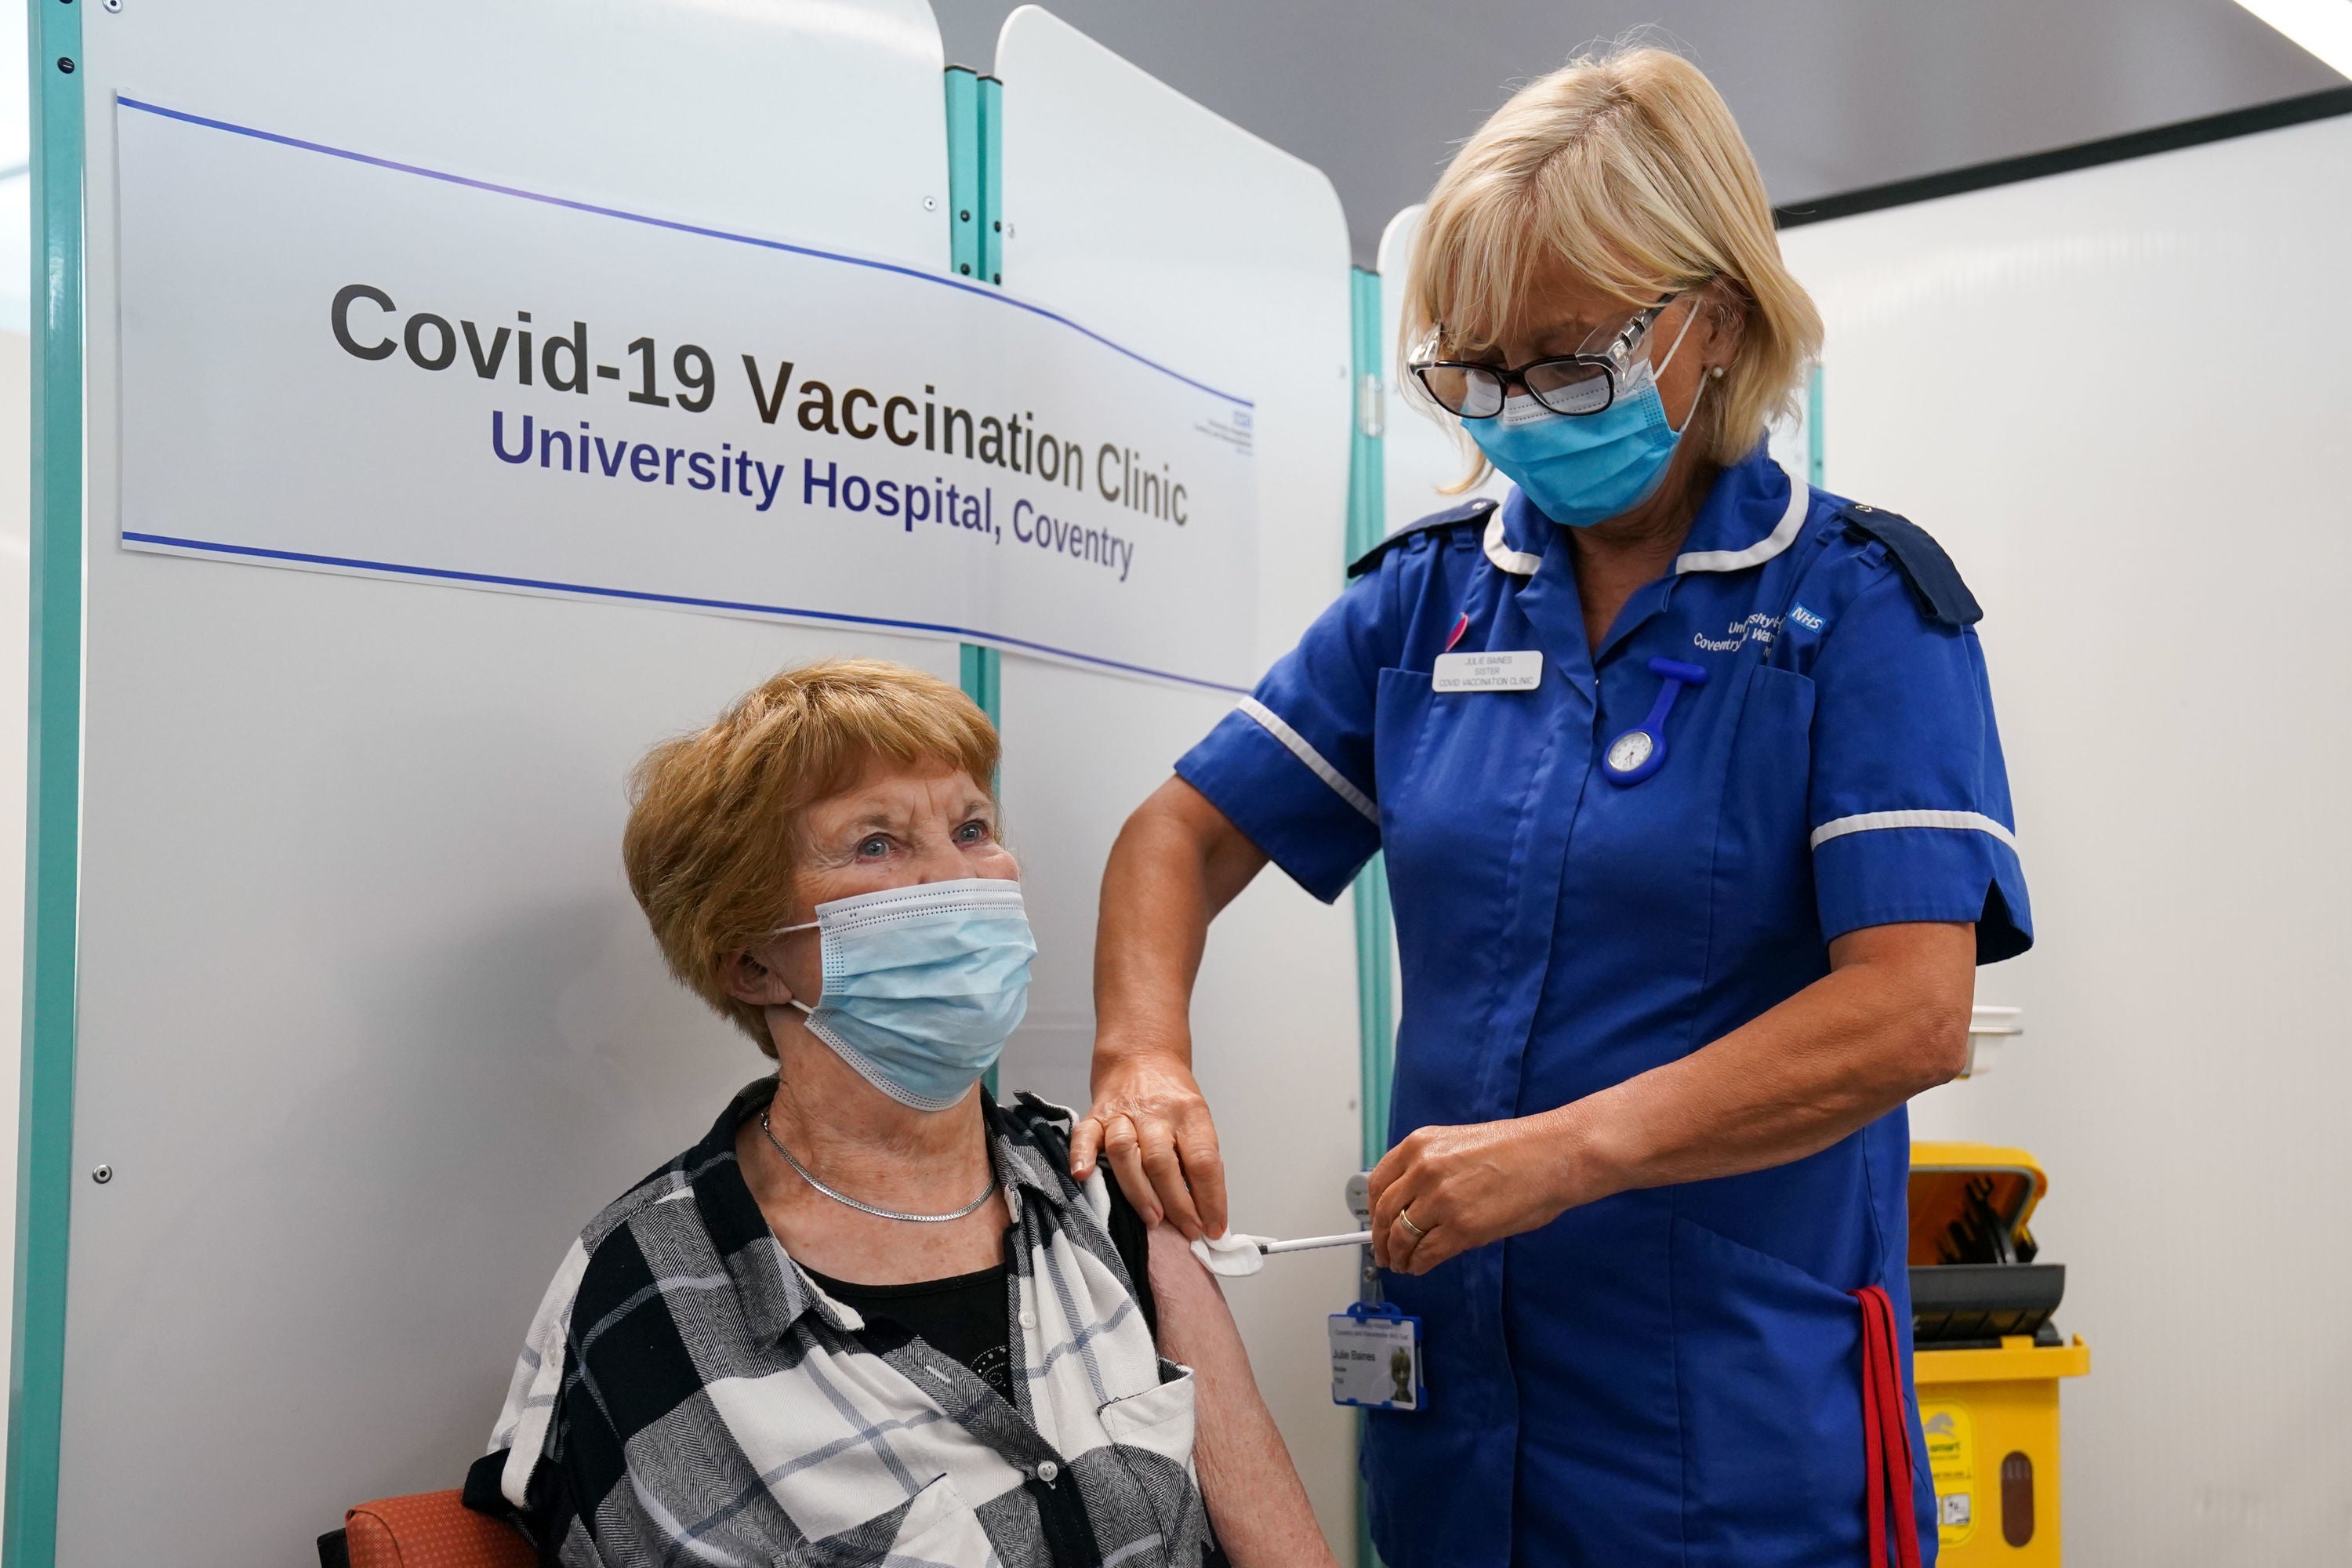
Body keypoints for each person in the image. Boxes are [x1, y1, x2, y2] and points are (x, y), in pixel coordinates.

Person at [1074, 46, 2028, 1568]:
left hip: (1733, 1445)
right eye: (1478, 369)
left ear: (1711, 319)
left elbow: (1907, 1017)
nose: (1516, 408)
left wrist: (1570, 1149)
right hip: (1454, 1423)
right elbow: (1178, 835)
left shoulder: (1854, 610)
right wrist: (1140, 1056)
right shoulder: (1435, 602)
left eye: (1568, 360)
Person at [467, 659, 1335, 1568]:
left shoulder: (1102, 1191)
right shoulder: (655, 1290)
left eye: (972, 828)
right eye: (876, 843)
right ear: (752, 962)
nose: (957, 880)